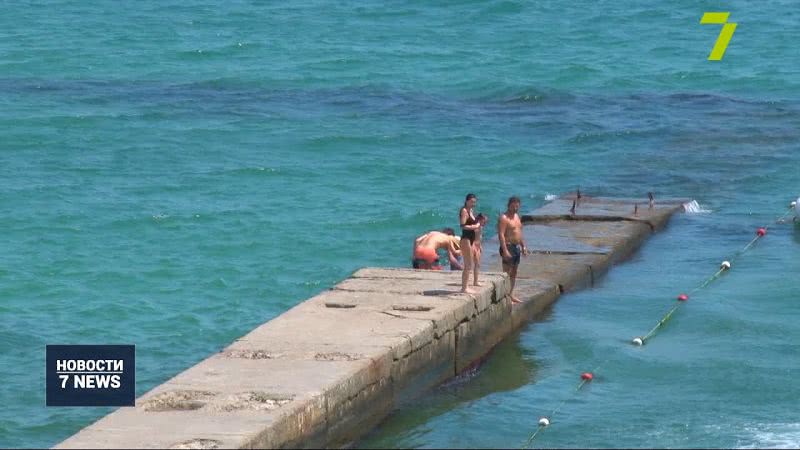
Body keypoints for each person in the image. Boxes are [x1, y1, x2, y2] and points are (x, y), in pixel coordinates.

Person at [498, 196, 528, 303]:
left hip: (516, 247)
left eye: (517, 206)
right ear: (509, 205)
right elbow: (501, 234)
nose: (515, 208)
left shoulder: (517, 216)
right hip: (508, 246)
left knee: (514, 272)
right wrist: (505, 250)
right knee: (506, 272)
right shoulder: (504, 218)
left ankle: (511, 294)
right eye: (513, 206)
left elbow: (519, 233)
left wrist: (523, 246)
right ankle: (504, 295)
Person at [459, 194, 481, 293]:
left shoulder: (471, 211)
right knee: (468, 264)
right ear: (467, 201)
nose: (473, 204)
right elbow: (463, 226)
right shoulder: (464, 211)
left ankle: (466, 286)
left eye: (474, 202)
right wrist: (474, 226)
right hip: (466, 239)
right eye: (472, 202)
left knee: (470, 263)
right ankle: (464, 288)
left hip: (471, 240)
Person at [471, 213, 488, 287]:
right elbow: (471, 237)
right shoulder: (475, 227)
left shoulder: (480, 227)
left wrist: (480, 246)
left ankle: (476, 281)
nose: (485, 223)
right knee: (473, 264)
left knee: (477, 264)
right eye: (485, 221)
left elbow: (479, 237)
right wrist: (473, 246)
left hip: (478, 246)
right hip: (473, 246)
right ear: (480, 220)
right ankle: (475, 281)